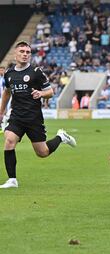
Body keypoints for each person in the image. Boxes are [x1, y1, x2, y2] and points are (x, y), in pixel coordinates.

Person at [0, 41, 77, 189]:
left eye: (28, 52)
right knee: (9, 140)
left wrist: (41, 93)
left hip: (34, 119)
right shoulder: (9, 74)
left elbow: (50, 92)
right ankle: (12, 180)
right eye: (22, 51)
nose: (25, 54)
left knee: (42, 152)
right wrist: (1, 112)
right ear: (15, 54)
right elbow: (7, 93)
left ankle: (61, 137)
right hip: (16, 116)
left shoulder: (36, 72)